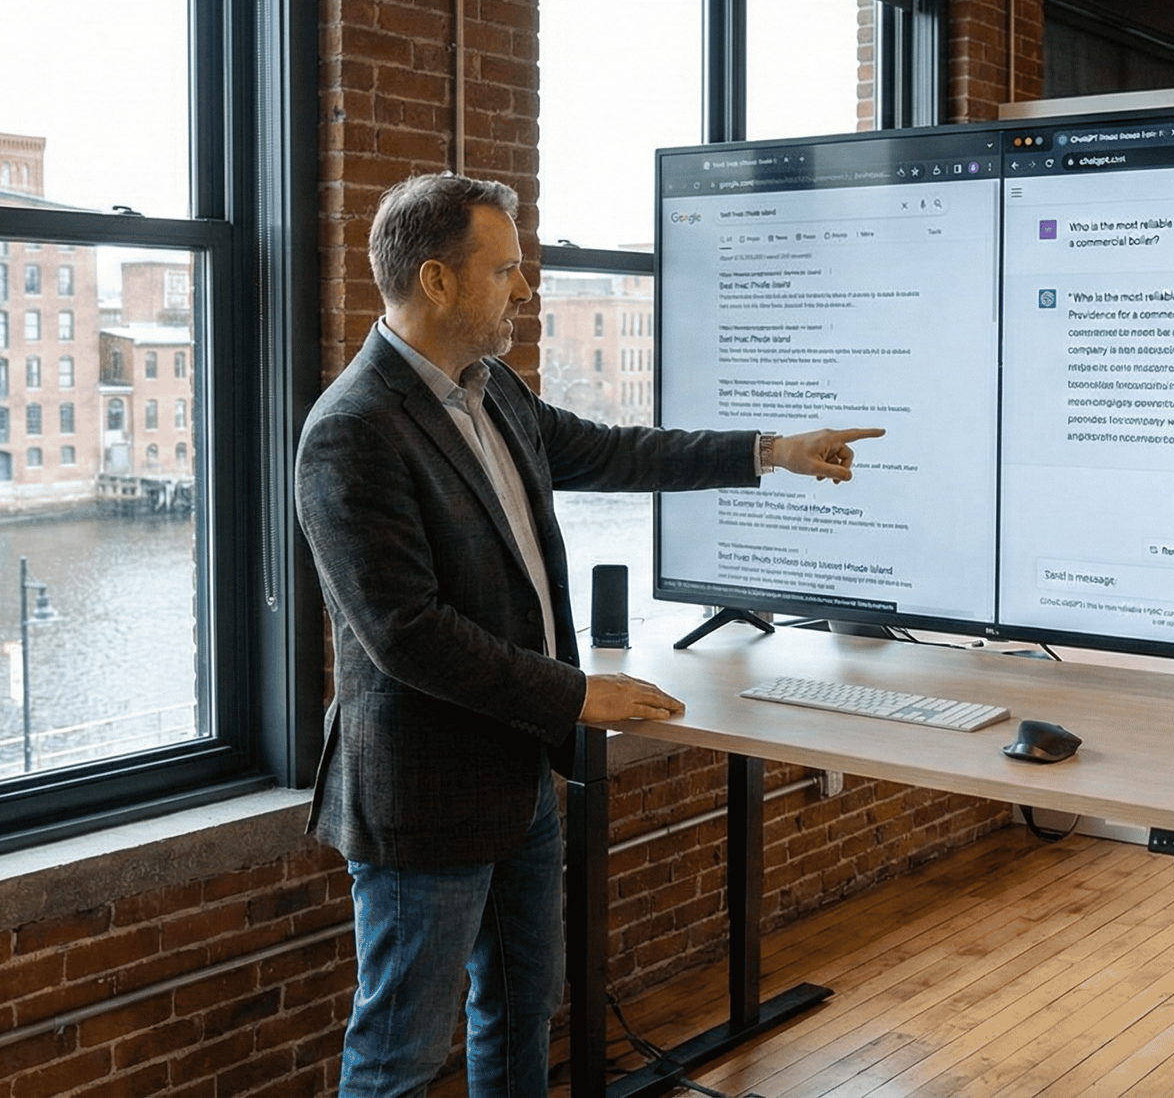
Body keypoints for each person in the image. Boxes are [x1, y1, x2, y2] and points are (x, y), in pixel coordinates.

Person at [296, 172, 883, 1098]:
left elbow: (617, 451)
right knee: (399, 1054)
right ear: (439, 281)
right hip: (424, 795)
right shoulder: (352, 429)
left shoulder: (494, 395)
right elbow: (405, 635)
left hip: (520, 773)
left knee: (523, 1013)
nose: (525, 289)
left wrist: (771, 449)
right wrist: (578, 695)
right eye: (507, 270)